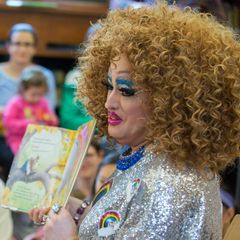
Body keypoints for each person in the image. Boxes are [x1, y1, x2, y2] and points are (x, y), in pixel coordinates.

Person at [29, 3, 240, 239]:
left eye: (126, 90)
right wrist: (79, 212)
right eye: (109, 86)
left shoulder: (172, 181)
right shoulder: (151, 158)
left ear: (170, 100)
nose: (109, 102)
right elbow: (120, 227)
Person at [0, 23, 56, 179]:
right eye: (17, 44)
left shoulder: (45, 76)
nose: (22, 49)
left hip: (36, 135)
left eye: (27, 44)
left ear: (34, 48)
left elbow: (47, 111)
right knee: (12, 157)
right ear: (8, 46)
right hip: (5, 134)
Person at [3, 67, 58, 154]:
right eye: (33, 94)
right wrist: (27, 123)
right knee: (21, 156)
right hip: (18, 139)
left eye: (40, 94)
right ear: (23, 90)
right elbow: (8, 123)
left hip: (39, 139)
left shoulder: (43, 102)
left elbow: (51, 120)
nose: (36, 98)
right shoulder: (15, 103)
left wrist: (52, 120)